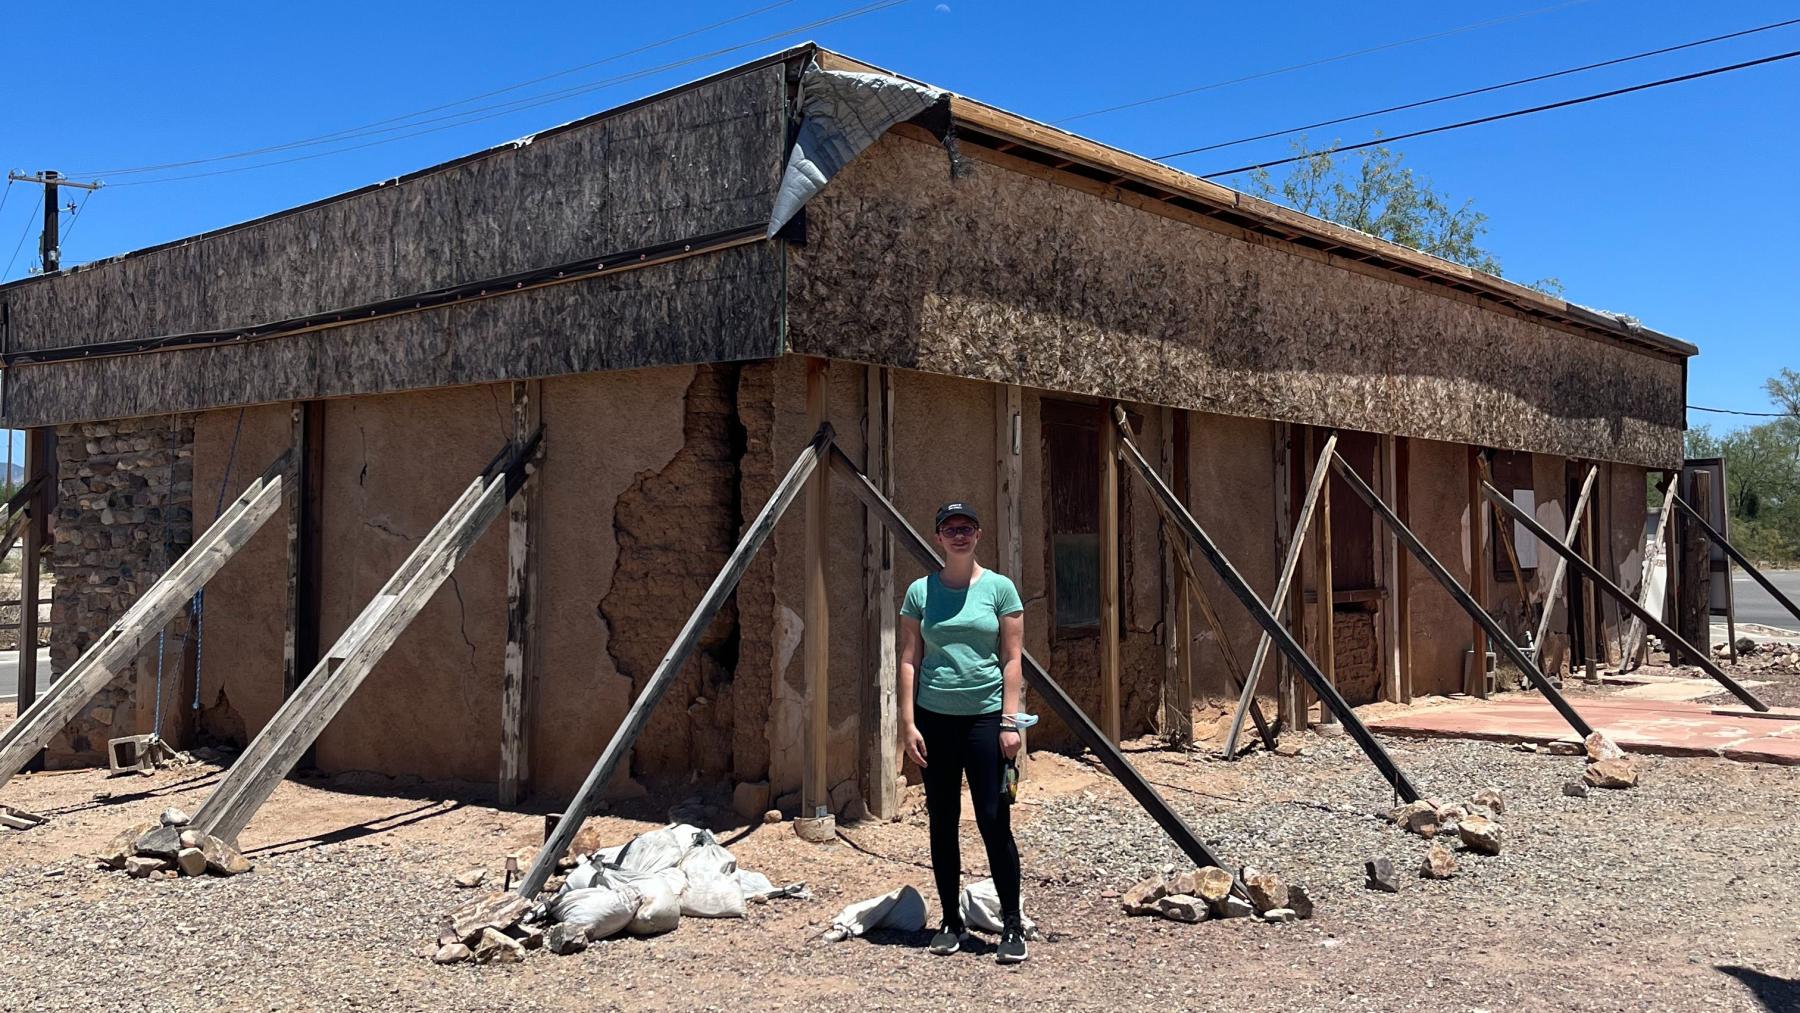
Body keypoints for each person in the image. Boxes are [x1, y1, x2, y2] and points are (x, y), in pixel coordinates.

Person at [898, 501, 1028, 965]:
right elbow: (910, 658)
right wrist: (908, 722)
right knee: (942, 821)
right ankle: (951, 921)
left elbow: (1012, 659)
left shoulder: (1000, 589)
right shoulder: (920, 592)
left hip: (985, 718)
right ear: (937, 537)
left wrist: (1010, 723)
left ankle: (1012, 924)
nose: (959, 535)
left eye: (967, 527)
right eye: (950, 528)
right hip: (935, 719)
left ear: (978, 534)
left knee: (994, 820)